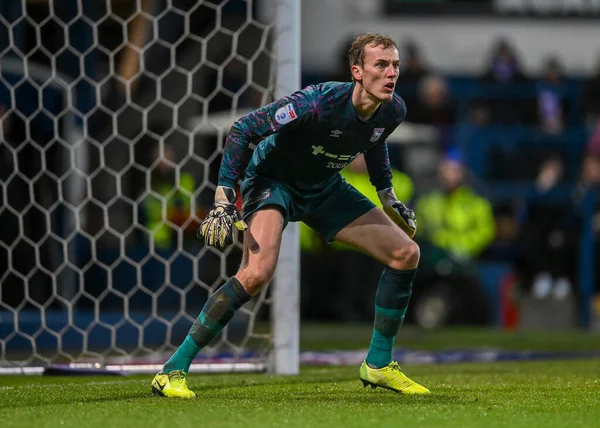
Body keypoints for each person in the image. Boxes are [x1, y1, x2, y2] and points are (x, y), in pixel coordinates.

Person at [151, 33, 430, 398]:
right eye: (381, 65)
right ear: (357, 71)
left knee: (406, 253)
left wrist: (388, 198)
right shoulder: (317, 102)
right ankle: (171, 371)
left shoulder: (394, 109)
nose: (391, 72)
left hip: (324, 188)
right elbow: (244, 129)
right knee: (255, 275)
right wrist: (223, 199)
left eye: (394, 65)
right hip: (272, 182)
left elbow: (374, 140)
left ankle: (378, 364)